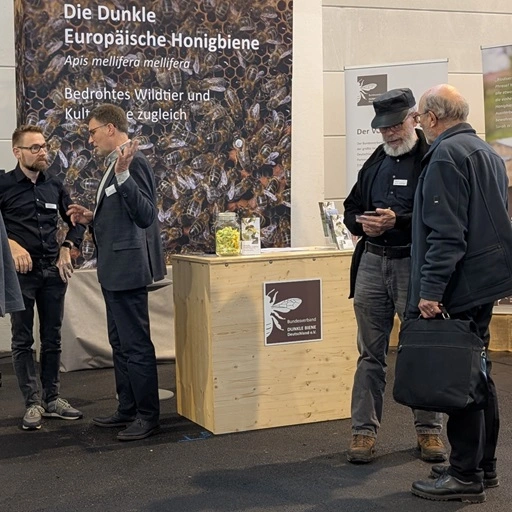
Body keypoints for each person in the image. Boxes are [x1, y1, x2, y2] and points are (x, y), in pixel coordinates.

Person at [408, 84, 512, 503]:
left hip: (460, 287)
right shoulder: (486, 152)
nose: (416, 123)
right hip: (485, 281)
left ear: (433, 118)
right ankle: (481, 467)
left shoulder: (446, 156)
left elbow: (447, 234)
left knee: (461, 382)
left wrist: (431, 290)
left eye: (418, 116)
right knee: (480, 377)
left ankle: (465, 475)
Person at [343, 88, 445, 463]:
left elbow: (438, 215)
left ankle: (430, 431)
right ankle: (363, 433)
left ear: (415, 119)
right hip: (371, 262)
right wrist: (362, 223)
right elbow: (350, 207)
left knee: (420, 350)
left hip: (411, 264)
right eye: (383, 128)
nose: (389, 134)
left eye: (396, 125)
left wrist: (396, 221)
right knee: (369, 354)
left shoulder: (432, 159)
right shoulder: (375, 161)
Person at [67, 104, 166, 442]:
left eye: (93, 131)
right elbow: (122, 213)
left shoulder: (132, 163)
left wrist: (123, 176)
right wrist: (94, 217)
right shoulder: (114, 164)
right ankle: (128, 407)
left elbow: (144, 214)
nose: (90, 138)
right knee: (119, 343)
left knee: (136, 345)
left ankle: (147, 416)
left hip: (127, 270)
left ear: (110, 129)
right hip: (114, 268)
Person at [0, 125, 86, 430]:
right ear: (17, 152)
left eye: (44, 147)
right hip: (20, 276)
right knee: (22, 340)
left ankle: (52, 399)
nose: (42, 152)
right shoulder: (3, 184)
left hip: (53, 271)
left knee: (52, 337)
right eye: (34, 147)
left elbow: (77, 222)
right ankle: (32, 403)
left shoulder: (55, 185)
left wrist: (68, 246)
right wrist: (9, 244)